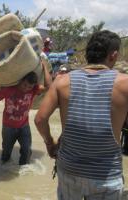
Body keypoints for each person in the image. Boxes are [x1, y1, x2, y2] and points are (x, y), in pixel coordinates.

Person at [34, 30, 127, 200]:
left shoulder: (62, 81)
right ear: (113, 55)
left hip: (70, 172)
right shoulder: (124, 84)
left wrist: (50, 143)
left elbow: (40, 119)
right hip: (106, 176)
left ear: (87, 54)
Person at [0, 61, 51, 165]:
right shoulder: (8, 89)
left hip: (24, 126)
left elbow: (49, 87)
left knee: (27, 152)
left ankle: (23, 172)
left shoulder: (34, 90)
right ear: (20, 81)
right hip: (8, 127)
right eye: (25, 85)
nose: (26, 88)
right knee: (6, 154)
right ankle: (4, 171)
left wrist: (45, 67)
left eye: (29, 87)